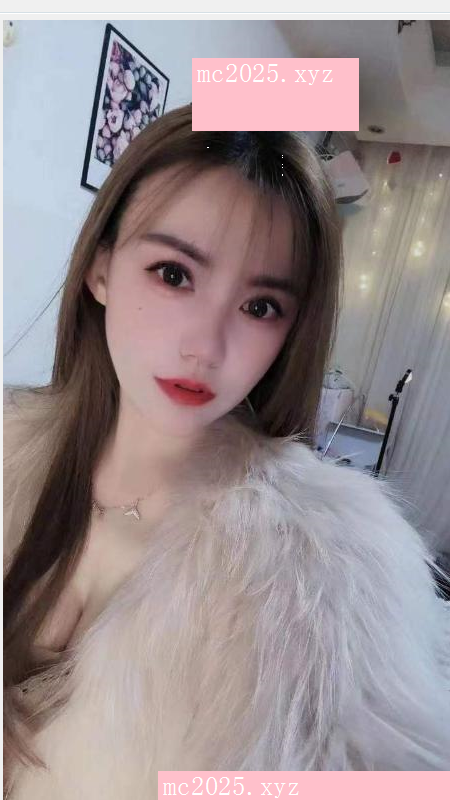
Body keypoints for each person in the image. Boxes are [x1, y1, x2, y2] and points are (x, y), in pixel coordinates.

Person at [3, 104, 450, 798]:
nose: (205, 346)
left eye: (260, 306)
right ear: (100, 268)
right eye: (174, 274)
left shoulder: (320, 569)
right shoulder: (12, 453)